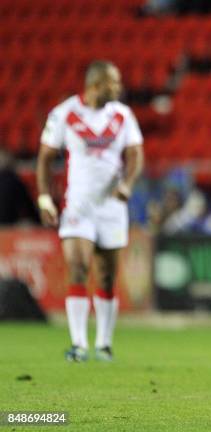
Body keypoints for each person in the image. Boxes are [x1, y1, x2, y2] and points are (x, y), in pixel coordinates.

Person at [36, 60, 144, 362]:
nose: (119, 88)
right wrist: (45, 197)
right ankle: (79, 343)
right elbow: (45, 157)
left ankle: (104, 343)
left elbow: (135, 154)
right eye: (114, 82)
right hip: (78, 206)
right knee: (79, 268)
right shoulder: (65, 113)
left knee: (108, 276)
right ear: (96, 85)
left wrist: (126, 184)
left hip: (112, 207)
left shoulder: (122, 115)